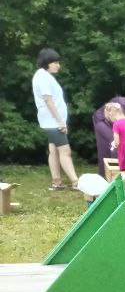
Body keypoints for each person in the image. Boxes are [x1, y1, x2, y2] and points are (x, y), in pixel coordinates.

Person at [32, 48, 79, 191]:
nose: (58, 65)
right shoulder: (43, 77)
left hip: (51, 121)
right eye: (55, 63)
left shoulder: (44, 75)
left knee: (53, 150)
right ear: (47, 62)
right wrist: (60, 121)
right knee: (65, 151)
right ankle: (76, 182)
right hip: (53, 122)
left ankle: (56, 182)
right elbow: (48, 100)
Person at [93, 94, 125, 176]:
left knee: (115, 149)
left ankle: (115, 174)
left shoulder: (117, 124)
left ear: (111, 114)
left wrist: (115, 144)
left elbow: (116, 142)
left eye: (108, 116)